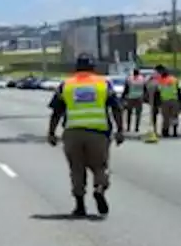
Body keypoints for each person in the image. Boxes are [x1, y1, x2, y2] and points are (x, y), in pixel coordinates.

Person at [47, 53, 124, 217]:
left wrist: (51, 133)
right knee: (100, 167)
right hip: (98, 132)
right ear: (93, 67)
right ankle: (99, 188)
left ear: (76, 67)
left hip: (73, 132)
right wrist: (120, 130)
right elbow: (116, 108)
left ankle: (80, 206)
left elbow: (57, 111)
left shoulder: (66, 85)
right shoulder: (103, 84)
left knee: (76, 169)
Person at [150, 64, 181, 137]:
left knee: (166, 117)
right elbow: (178, 90)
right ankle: (175, 131)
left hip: (165, 101)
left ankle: (165, 131)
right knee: (174, 117)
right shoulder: (174, 79)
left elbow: (157, 91)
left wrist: (156, 103)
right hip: (174, 100)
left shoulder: (160, 81)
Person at [123, 68, 146, 133]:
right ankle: (136, 128)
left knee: (129, 113)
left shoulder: (129, 79)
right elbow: (145, 88)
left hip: (130, 97)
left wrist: (123, 97)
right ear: (138, 73)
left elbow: (126, 89)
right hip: (139, 98)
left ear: (133, 73)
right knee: (138, 114)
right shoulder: (142, 79)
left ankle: (128, 127)